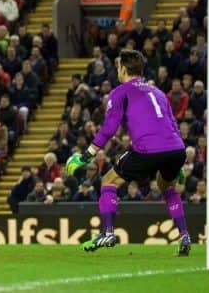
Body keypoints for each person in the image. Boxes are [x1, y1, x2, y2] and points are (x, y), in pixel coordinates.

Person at [75, 50, 190, 256]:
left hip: (148, 150)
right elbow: (173, 124)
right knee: (167, 187)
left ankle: (107, 232)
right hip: (176, 149)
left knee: (109, 181)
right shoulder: (159, 93)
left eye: (118, 67)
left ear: (123, 69)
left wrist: (87, 154)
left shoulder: (120, 92)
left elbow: (109, 128)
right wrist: (177, 162)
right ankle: (184, 235)